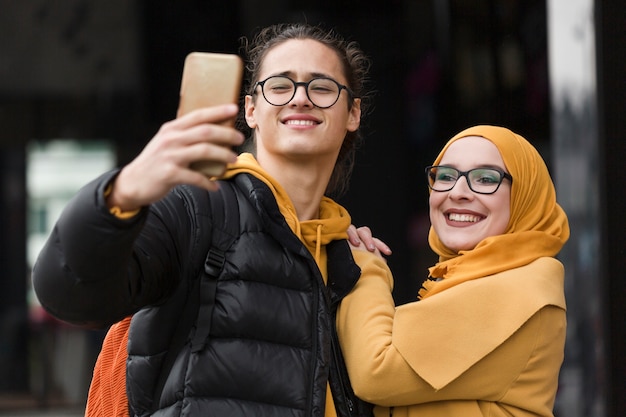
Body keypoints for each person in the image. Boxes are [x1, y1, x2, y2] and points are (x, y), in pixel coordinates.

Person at [32, 22, 378, 417]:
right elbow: (67, 292)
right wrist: (122, 192)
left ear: (353, 112)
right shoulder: (198, 208)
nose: (300, 98)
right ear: (251, 110)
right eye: (280, 86)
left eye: (321, 86)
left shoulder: (352, 259)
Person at [339, 125, 570, 417]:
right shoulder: (472, 279)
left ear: (524, 195)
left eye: (486, 179)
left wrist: (365, 268)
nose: (458, 192)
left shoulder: (519, 288)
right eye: (445, 176)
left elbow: (376, 370)